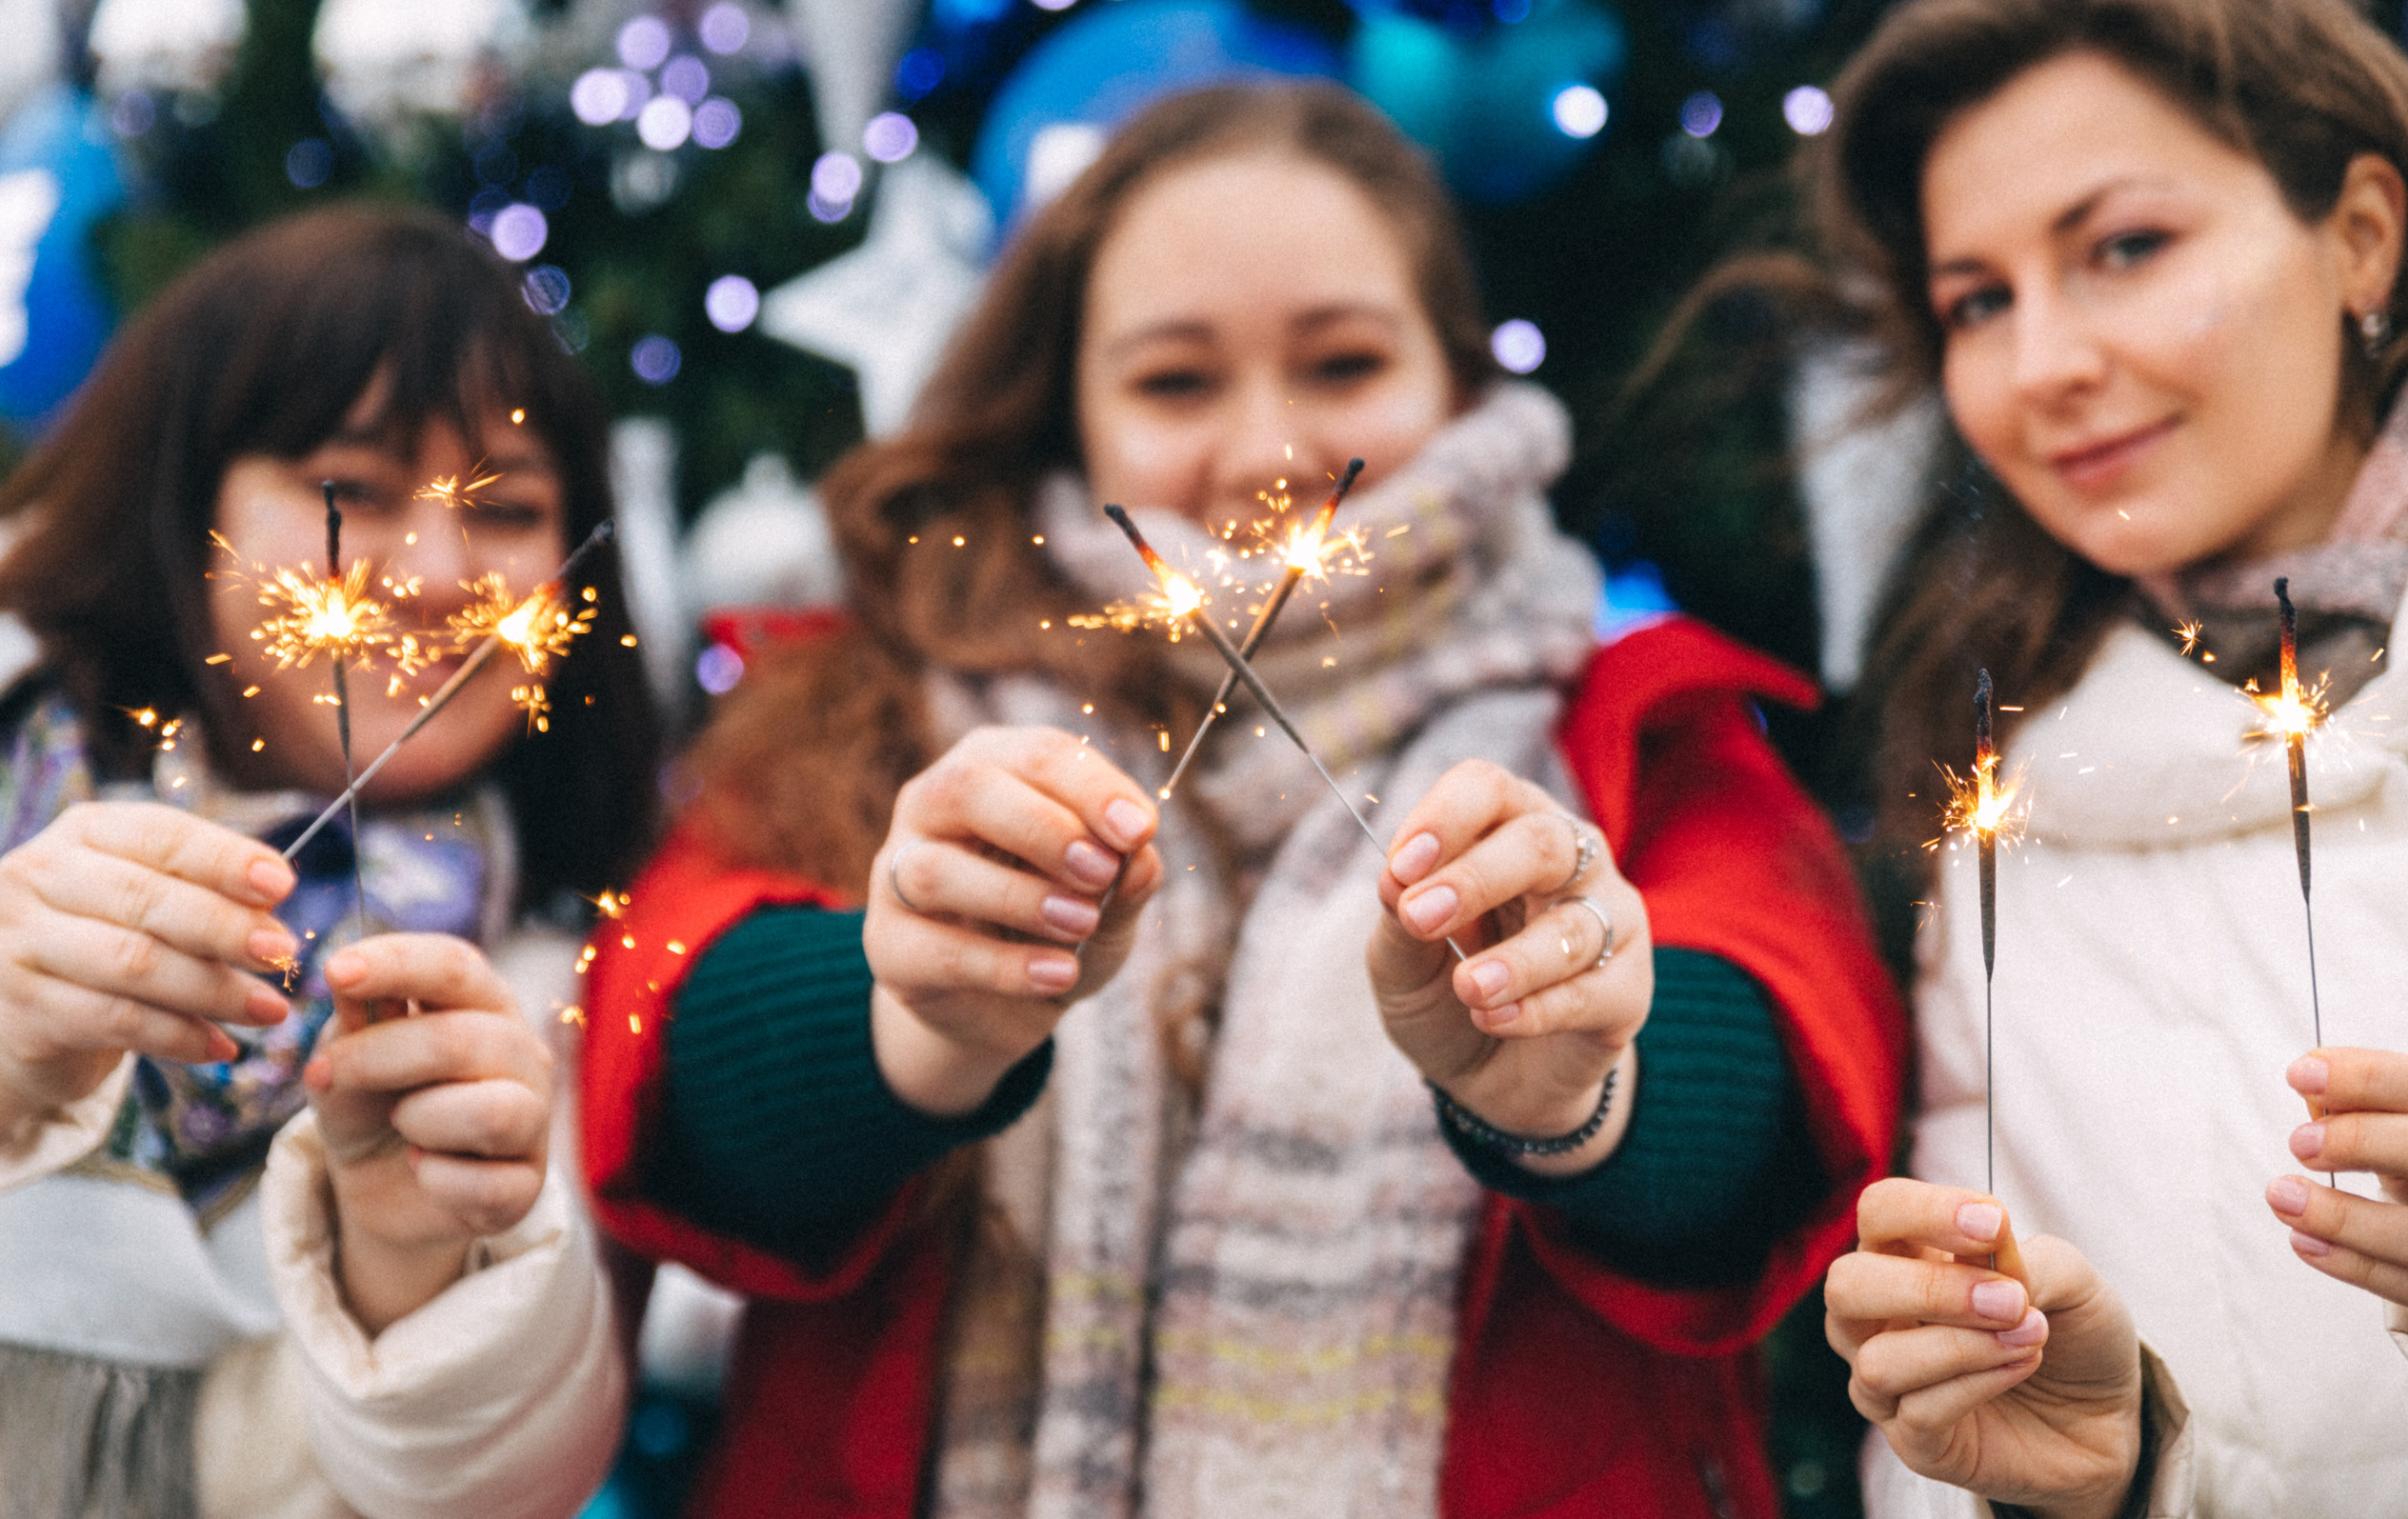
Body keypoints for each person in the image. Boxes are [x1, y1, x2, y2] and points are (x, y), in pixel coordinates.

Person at [581, 81, 1904, 1518]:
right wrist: (913, 1016)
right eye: (1176, 382)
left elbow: (1791, 1088)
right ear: (1067, 410)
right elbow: (655, 1036)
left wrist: (1584, 1084)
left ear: (1457, 380)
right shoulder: (865, 704)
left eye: (1342, 364)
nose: (1269, 450)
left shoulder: (1646, 727)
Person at [1786, 0, 2408, 1516]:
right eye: (1977, 301)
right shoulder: (2002, 792)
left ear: (2359, 233)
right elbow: (1944, 1458)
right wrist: (2086, 1484)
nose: (2046, 362)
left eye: (2125, 247)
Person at [0, 206, 656, 1518]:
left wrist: (413, 1263)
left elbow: (519, 1482)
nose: (433, 573)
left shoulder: (576, 971)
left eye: (512, 508)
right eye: (351, 490)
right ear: (185, 502)